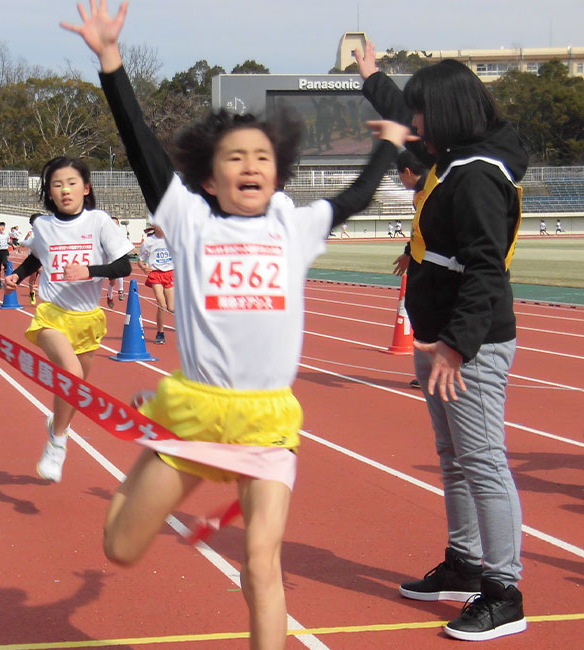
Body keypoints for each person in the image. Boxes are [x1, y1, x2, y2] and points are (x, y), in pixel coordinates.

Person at [63, 4, 411, 649]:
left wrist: (388, 142)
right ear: (209, 176)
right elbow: (141, 146)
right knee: (119, 547)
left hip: (266, 423)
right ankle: (152, 435)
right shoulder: (191, 223)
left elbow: (358, 196)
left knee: (260, 566)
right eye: (234, 157)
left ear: (277, 171)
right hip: (197, 414)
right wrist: (111, 63)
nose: (249, 165)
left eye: (261, 156)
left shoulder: (295, 226)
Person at [356, 40, 528, 641]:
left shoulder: (478, 174)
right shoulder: (455, 157)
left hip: (468, 345)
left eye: (423, 114)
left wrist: (456, 344)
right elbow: (405, 110)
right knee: (456, 458)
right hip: (439, 337)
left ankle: (504, 590)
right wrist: (373, 77)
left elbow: (486, 269)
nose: (415, 124)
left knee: (483, 462)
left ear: (449, 113)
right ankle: (464, 561)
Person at [4, 158, 132, 483]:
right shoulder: (45, 226)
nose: (65, 189)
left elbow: (124, 267)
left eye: (72, 183)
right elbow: (37, 256)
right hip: (52, 314)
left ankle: (58, 424)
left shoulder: (99, 221)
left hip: (88, 319)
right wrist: (17, 276)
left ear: (85, 188)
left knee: (75, 389)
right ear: (49, 191)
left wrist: (90, 271)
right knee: (71, 374)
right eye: (57, 184)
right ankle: (57, 443)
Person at [393, 149, 430, 390]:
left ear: (407, 172)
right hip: (421, 257)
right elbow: (419, 227)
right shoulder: (422, 190)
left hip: (432, 261)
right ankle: (429, 371)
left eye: (400, 176)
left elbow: (427, 226)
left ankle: (435, 371)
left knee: (426, 312)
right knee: (418, 310)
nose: (400, 181)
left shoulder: (430, 189)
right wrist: (408, 252)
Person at [137, 223, 174, 344]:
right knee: (161, 305)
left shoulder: (172, 238)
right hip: (156, 274)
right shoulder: (149, 242)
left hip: (169, 273)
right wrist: (143, 268)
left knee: (171, 307)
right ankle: (160, 332)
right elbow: (140, 260)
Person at [104, 216, 128, 308]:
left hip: (118, 259)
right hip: (110, 261)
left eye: (116, 224)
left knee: (120, 271)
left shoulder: (120, 235)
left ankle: (121, 290)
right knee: (112, 282)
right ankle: (110, 297)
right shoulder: (105, 236)